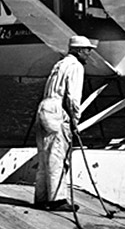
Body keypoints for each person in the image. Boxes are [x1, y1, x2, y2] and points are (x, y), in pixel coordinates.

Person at [33, 35, 96, 212]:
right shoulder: (76, 66)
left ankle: (41, 198)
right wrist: (75, 122)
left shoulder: (60, 64)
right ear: (79, 50)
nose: (89, 54)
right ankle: (57, 200)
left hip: (45, 107)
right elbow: (73, 98)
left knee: (45, 156)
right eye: (87, 50)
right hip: (57, 110)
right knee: (57, 156)